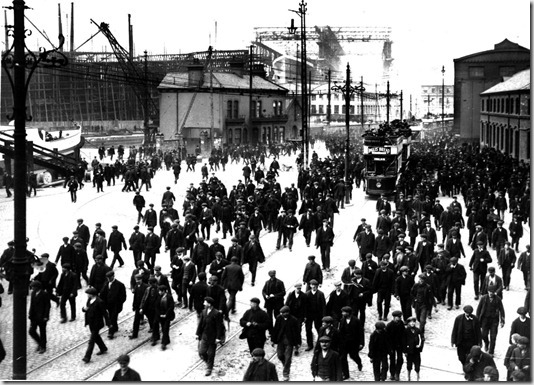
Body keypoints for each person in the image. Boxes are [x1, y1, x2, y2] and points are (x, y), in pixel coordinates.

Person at [196, 296, 225, 376]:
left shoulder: (217, 313)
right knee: (202, 352)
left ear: (209, 304)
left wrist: (218, 338)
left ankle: (209, 368)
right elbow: (200, 324)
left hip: (213, 337)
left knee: (211, 354)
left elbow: (219, 327)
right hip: (204, 335)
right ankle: (207, 362)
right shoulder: (204, 311)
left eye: (205, 302)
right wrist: (197, 333)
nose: (203, 303)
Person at [271, 305, 301, 381]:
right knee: (280, 355)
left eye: (283, 313)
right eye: (281, 313)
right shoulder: (279, 318)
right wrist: (273, 340)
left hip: (290, 342)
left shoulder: (293, 320)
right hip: (280, 340)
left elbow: (297, 332)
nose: (281, 314)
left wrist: (298, 343)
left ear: (287, 313)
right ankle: (286, 365)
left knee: (288, 358)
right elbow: (276, 329)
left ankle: (286, 373)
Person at [82, 287, 110, 363]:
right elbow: (86, 309)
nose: (87, 295)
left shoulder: (100, 302)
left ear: (92, 295)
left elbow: (105, 313)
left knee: (92, 340)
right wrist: (84, 309)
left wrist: (108, 324)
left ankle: (87, 357)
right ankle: (103, 348)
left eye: (88, 294)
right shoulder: (89, 300)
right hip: (91, 323)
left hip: (97, 324)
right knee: (96, 337)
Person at [476, 285, 505, 356]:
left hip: (494, 321)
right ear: (487, 291)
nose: (491, 293)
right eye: (489, 292)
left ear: (494, 292)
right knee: (483, 335)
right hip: (485, 320)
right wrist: (477, 319)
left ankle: (491, 351)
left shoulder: (498, 299)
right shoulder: (483, 298)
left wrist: (502, 320)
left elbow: (502, 310)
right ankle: (486, 343)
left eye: (492, 292)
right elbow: (478, 309)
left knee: (493, 336)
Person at [338, 306, 364, 379]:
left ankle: (359, 363)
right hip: (344, 343)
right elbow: (340, 332)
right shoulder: (342, 320)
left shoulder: (356, 321)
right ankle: (346, 374)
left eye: (344, 312)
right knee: (343, 358)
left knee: (353, 356)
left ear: (348, 313)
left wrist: (361, 343)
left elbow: (361, 333)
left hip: (353, 343)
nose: (342, 313)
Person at [99, 271, 127, 339]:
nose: (109, 279)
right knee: (112, 317)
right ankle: (115, 327)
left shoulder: (120, 285)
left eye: (110, 277)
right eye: (107, 278)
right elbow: (102, 293)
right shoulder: (106, 284)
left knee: (111, 319)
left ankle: (110, 332)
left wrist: (119, 303)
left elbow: (123, 297)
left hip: (116, 305)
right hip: (108, 305)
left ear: (113, 276)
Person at [28, 280, 50, 354]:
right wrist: (30, 314)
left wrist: (46, 316)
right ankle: (40, 342)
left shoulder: (44, 294)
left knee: (42, 332)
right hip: (34, 316)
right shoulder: (33, 293)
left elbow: (47, 306)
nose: (32, 288)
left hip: (42, 316)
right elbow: (32, 304)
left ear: (37, 287)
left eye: (33, 287)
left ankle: (43, 346)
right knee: (31, 331)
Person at [304, 279, 326, 351]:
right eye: (312, 285)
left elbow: (323, 306)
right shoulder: (307, 294)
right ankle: (310, 345)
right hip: (309, 315)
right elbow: (305, 306)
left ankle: (320, 345)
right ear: (310, 285)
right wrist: (305, 316)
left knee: (319, 329)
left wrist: (323, 317)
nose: (314, 287)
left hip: (318, 315)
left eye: (315, 285)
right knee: (308, 330)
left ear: (317, 286)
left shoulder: (320, 294)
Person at [152, 285, 175, 350]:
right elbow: (156, 306)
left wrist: (166, 314)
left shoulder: (169, 297)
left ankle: (164, 343)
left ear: (164, 291)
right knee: (158, 326)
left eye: (160, 291)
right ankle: (157, 338)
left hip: (167, 316)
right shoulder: (159, 297)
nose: (159, 292)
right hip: (160, 315)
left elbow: (171, 307)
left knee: (165, 328)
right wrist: (159, 314)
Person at [386, 310, 405, 381]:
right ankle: (392, 374)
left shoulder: (401, 324)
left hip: (400, 345)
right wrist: (388, 347)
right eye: (398, 317)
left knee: (400, 359)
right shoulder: (389, 325)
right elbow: (387, 338)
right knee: (392, 360)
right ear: (394, 317)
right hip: (392, 346)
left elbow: (403, 334)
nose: (400, 318)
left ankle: (397, 373)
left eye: (400, 317)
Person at [404, 316, 424, 381]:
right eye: (411, 322)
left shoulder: (418, 330)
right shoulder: (406, 331)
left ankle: (418, 377)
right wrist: (405, 351)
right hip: (409, 351)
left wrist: (420, 346)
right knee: (409, 365)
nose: (412, 323)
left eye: (413, 322)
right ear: (408, 323)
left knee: (417, 364)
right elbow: (403, 341)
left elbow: (422, 339)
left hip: (416, 351)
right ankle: (409, 377)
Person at [129, 274, 148, 339]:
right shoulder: (136, 286)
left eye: (139, 279)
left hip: (145, 306)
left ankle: (154, 331)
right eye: (136, 280)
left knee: (151, 318)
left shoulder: (146, 286)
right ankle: (134, 334)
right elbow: (135, 297)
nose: (137, 281)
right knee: (136, 321)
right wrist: (134, 305)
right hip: (138, 306)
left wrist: (143, 307)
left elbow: (147, 298)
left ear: (141, 279)